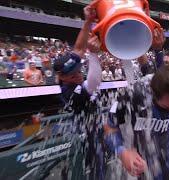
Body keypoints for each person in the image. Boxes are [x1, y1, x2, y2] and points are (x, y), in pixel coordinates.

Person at [53, 1, 106, 179]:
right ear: (61, 77)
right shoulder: (68, 92)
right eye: (72, 74)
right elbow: (94, 82)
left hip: (96, 124)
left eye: (77, 70)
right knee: (93, 169)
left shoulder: (68, 70)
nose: (77, 75)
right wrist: (93, 54)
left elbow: (78, 48)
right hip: (86, 134)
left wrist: (87, 21)